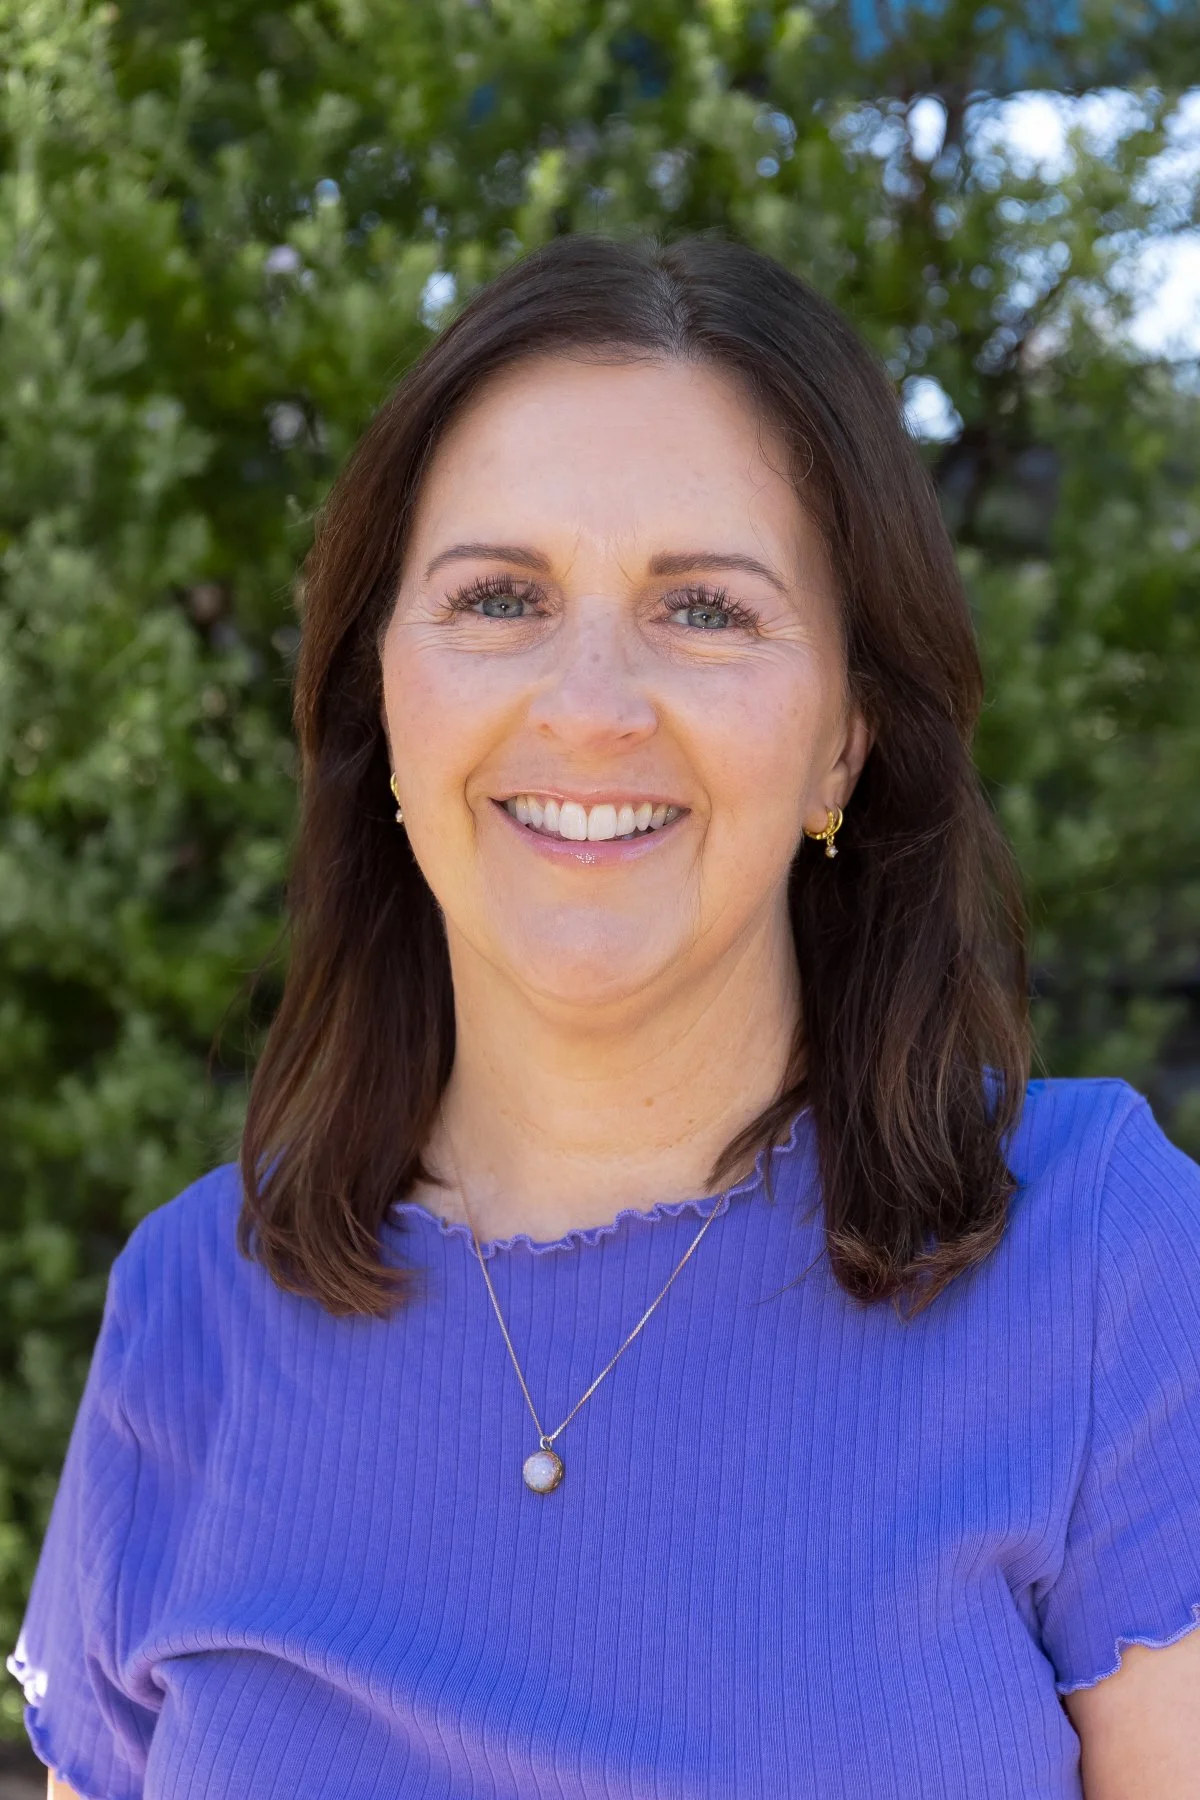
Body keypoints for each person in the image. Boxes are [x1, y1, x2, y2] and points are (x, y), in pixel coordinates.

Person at [8, 234, 1200, 1800]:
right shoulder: (192, 1318)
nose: (589, 702)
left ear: (846, 741)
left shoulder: (1101, 1260)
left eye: (703, 610)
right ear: (382, 698)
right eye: (500, 596)